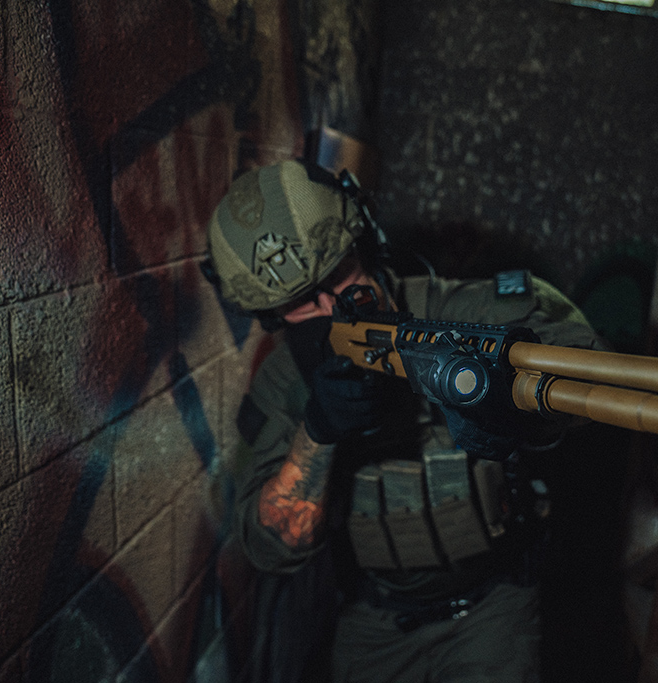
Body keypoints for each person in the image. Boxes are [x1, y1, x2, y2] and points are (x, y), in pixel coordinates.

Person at [205, 159, 603, 682]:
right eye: (301, 302)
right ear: (274, 316)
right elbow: (270, 546)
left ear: (367, 245)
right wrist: (317, 433)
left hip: (491, 610)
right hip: (376, 622)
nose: (331, 306)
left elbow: (589, 372)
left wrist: (498, 389)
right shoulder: (286, 381)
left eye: (339, 274)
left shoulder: (451, 308)